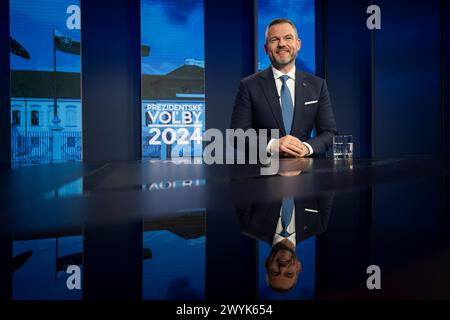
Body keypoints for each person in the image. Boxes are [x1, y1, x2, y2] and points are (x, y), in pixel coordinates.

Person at [231, 18, 337, 158]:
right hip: (262, 173)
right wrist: (273, 145)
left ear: (298, 44)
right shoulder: (249, 86)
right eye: (274, 39)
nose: (282, 44)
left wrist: (305, 148)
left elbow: (329, 133)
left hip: (307, 173)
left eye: (288, 38)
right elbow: (237, 135)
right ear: (266, 48)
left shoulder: (317, 85)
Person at [236, 193, 334, 292]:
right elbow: (327, 181)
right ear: (298, 267)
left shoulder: (249, 225)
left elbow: (239, 180)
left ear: (267, 263)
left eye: (275, 272)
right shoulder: (319, 225)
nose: (282, 268)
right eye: (289, 274)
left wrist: (268, 176)